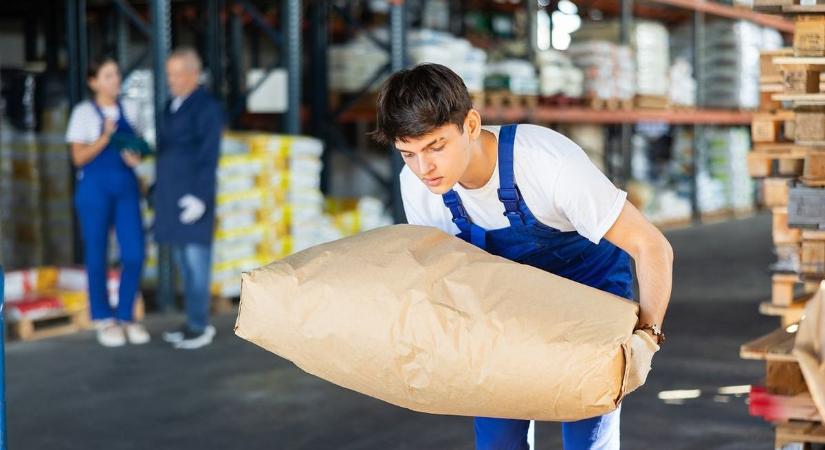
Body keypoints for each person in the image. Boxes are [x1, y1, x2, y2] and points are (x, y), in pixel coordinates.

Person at [370, 63, 674, 450]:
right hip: (505, 302)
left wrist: (647, 338)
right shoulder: (418, 187)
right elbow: (445, 273)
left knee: (586, 434)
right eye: (407, 154)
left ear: (472, 125)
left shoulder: (546, 162)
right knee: (497, 438)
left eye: (436, 146)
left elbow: (652, 246)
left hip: (588, 294)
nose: (423, 168)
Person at [66, 56, 150, 347]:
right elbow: (78, 158)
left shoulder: (131, 109)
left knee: (135, 252)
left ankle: (126, 314)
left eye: (116, 75)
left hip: (126, 188)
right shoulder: (83, 114)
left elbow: (138, 148)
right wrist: (104, 138)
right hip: (94, 190)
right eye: (108, 76)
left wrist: (136, 156)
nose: (115, 81)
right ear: (94, 82)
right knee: (97, 254)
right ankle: (104, 317)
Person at [155, 48, 223, 350]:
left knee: (197, 265)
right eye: (169, 74)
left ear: (193, 74)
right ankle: (191, 321)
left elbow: (209, 156)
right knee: (183, 263)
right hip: (172, 195)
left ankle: (201, 327)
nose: (171, 80)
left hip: (194, 198)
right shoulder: (172, 105)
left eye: (177, 74)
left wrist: (199, 196)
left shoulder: (206, 108)